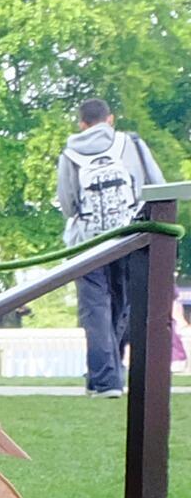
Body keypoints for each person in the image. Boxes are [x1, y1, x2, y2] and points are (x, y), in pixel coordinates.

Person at [56, 97, 165, 397]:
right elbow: (157, 185)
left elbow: (68, 205)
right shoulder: (131, 144)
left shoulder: (69, 154)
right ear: (110, 119)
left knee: (95, 309)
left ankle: (104, 381)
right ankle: (109, 375)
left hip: (88, 243)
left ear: (82, 124)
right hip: (128, 237)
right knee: (122, 305)